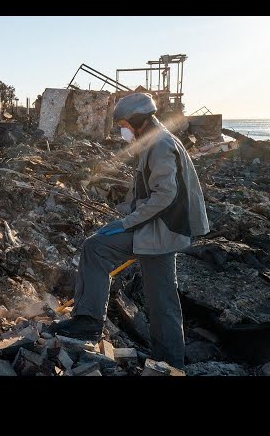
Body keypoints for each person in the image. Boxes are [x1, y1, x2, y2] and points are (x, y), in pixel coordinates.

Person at [50, 93, 210, 369]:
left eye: (123, 123)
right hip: (161, 229)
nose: (121, 129)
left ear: (136, 120)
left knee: (95, 248)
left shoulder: (159, 144)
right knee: (162, 298)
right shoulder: (154, 139)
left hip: (162, 231)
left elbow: (164, 195)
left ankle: (88, 323)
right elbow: (146, 192)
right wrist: (125, 212)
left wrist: (126, 223)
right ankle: (168, 362)